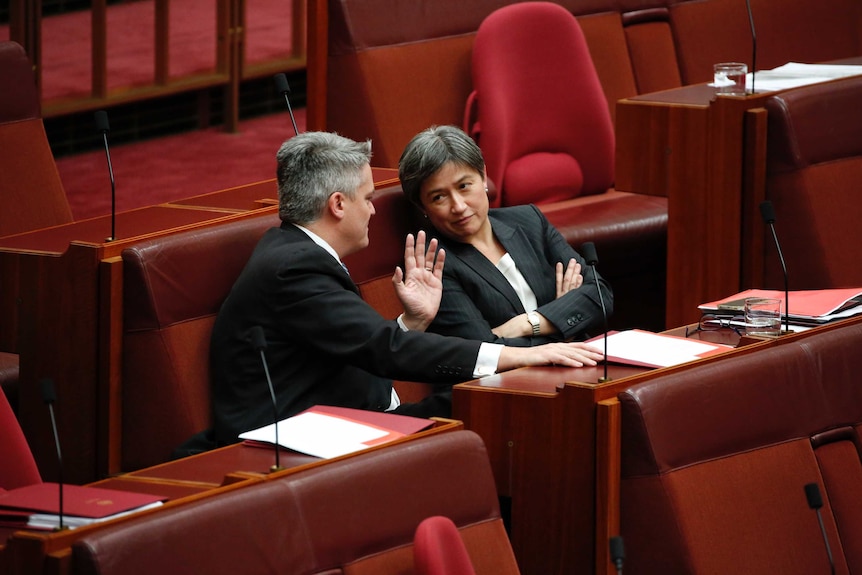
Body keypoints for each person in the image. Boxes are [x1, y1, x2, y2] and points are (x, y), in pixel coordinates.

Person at [207, 131, 603, 446]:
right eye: (367, 198)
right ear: (338, 205)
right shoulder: (294, 268)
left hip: (337, 420)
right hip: (294, 438)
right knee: (485, 407)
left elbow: (357, 343)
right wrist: (515, 357)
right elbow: (383, 349)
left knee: (483, 404)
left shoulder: (293, 253)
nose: (374, 210)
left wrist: (412, 322)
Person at [398, 125, 612, 346]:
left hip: (576, 363)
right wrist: (564, 323)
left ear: (483, 176)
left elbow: (599, 295)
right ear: (422, 206)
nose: (459, 206)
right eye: (439, 197)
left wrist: (528, 323)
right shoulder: (431, 264)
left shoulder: (528, 221)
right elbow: (482, 350)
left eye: (464, 186)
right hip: (502, 379)